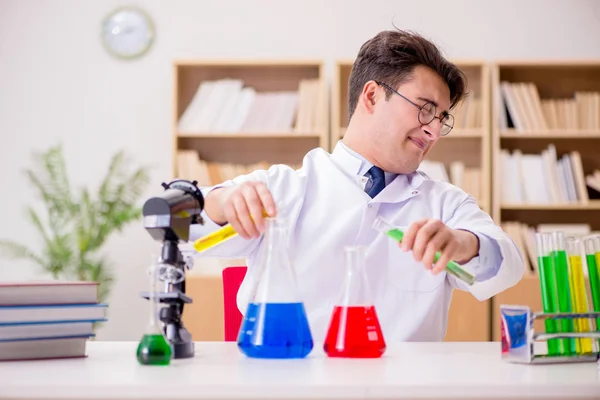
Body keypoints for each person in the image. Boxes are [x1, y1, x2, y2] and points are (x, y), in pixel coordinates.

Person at [189, 29, 524, 343]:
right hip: (288, 378)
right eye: (425, 110)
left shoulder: (445, 204)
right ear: (373, 96)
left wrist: (464, 244)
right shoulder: (283, 188)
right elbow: (181, 224)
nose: (434, 132)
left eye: (442, 119)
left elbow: (506, 266)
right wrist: (223, 201)